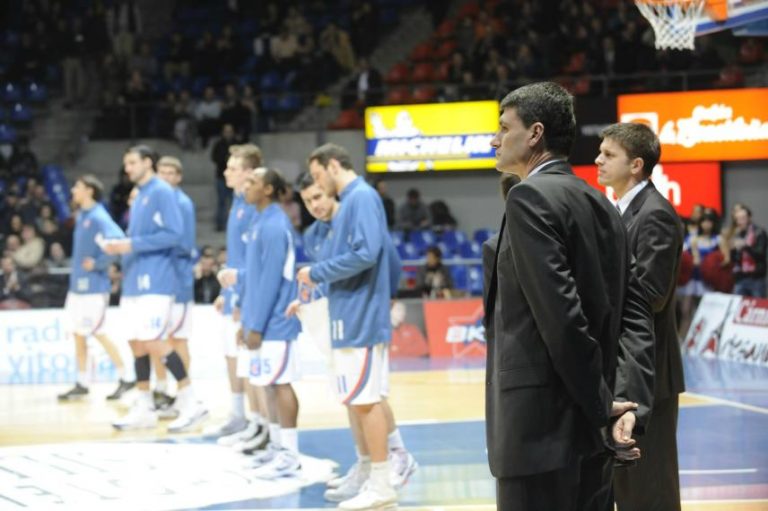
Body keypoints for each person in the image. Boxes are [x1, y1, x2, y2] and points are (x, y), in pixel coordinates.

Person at [485, 83, 652, 511]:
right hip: (592, 434)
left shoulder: (527, 198)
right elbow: (636, 312)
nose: (495, 138)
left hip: (540, 432)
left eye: (504, 128)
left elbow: (561, 317)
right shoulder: (602, 202)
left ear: (535, 133)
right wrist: (626, 404)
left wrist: (601, 406)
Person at [292, 172, 418, 496]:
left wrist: (387, 297)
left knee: (370, 394)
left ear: (331, 191)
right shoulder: (313, 234)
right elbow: (327, 280)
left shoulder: (354, 215)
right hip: (340, 317)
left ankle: (397, 457)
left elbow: (387, 256)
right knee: (353, 397)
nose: (314, 205)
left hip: (366, 314)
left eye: (318, 196)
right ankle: (365, 465)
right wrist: (307, 300)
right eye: (307, 201)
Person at [596, 122, 685, 511]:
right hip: (625, 369)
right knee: (626, 486)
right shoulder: (620, 210)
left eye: (608, 154)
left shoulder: (655, 215)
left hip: (649, 374)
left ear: (635, 165)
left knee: (649, 488)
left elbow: (651, 296)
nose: (597, 159)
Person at [102, 145, 206, 432]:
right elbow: (140, 238)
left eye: (132, 162)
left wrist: (131, 244)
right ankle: (144, 405)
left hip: (157, 280)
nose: (128, 168)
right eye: (126, 163)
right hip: (135, 278)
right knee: (136, 343)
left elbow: (174, 235)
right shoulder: (140, 195)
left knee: (154, 341)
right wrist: (120, 248)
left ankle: (190, 400)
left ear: (148, 162)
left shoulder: (161, 191)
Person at [232, 167, 302, 479]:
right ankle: (276, 446)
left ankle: (290, 452)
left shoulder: (275, 225)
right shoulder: (258, 221)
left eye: (252, 182)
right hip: (259, 318)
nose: (245, 187)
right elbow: (254, 277)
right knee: (270, 386)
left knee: (280, 383)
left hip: (276, 321)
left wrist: (256, 325)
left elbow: (272, 281)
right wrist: (245, 319)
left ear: (269, 189)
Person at [211, 144, 270, 451]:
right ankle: (243, 416)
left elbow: (252, 260)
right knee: (234, 359)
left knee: (249, 363)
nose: (226, 172)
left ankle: (260, 423)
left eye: (232, 168)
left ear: (249, 172)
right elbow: (236, 255)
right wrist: (226, 292)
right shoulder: (236, 202)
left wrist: (238, 297)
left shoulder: (252, 206)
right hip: (236, 291)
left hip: (247, 295)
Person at [58, 174, 134, 402]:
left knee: (100, 333)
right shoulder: (83, 215)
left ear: (89, 190)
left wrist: (99, 263)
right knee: (78, 335)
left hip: (93, 287)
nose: (73, 190)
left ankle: (126, 376)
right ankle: (82, 382)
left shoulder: (99, 216)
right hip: (77, 288)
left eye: (77, 186)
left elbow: (119, 242)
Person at [153, 155, 207, 429]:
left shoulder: (182, 203)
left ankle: (185, 397)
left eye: (171, 172)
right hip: (164, 278)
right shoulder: (162, 200)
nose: (165, 176)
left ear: (179, 177)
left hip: (179, 277)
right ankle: (171, 393)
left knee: (178, 339)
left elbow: (182, 244)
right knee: (164, 337)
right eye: (161, 171)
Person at [678, 211, 728, 336]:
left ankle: (704, 339)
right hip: (691, 279)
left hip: (707, 280)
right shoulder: (692, 239)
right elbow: (686, 258)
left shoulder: (718, 240)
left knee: (706, 311)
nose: (706, 224)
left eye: (709, 221)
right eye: (704, 221)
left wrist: (713, 266)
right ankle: (682, 340)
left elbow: (727, 259)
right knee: (686, 311)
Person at [730, 205, 767, 297]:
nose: (740, 222)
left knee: (757, 306)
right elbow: (734, 260)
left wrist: (745, 246)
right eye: (737, 219)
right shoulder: (737, 234)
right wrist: (732, 250)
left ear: (749, 218)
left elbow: (761, 254)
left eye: (743, 218)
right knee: (738, 306)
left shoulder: (759, 232)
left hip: (756, 277)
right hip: (740, 276)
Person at [211, 123, 237, 232]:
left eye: (230, 131)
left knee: (234, 202)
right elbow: (214, 158)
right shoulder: (219, 144)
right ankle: (220, 225)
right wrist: (224, 159)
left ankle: (233, 225)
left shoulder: (236, 144)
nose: (228, 133)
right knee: (221, 202)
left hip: (235, 178)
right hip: (221, 176)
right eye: (226, 131)